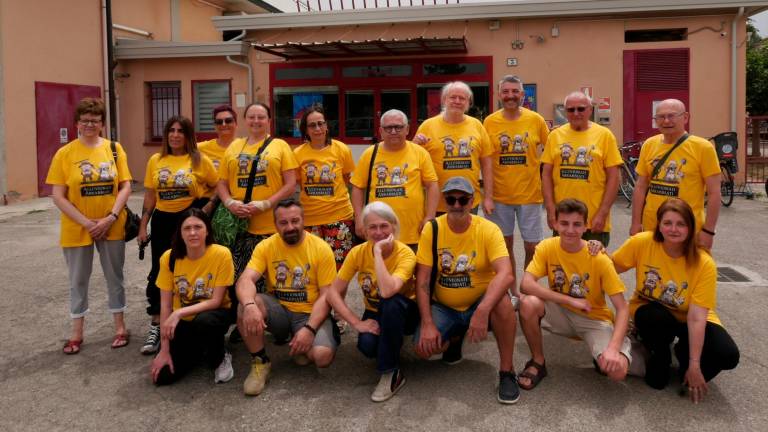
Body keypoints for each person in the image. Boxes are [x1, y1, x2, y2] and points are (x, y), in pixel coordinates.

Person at [611, 198, 739, 403]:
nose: (673, 229)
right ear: (659, 225)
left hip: (689, 317)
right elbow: (609, 267)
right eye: (668, 223)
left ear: (690, 227)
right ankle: (657, 351)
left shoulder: (703, 262)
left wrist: (694, 364)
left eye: (681, 224)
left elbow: (697, 317)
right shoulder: (642, 242)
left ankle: (682, 353)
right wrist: (592, 248)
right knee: (657, 380)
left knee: (728, 354)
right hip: (654, 315)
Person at [414, 176, 520, 404]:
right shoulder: (431, 229)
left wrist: (482, 312)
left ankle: (507, 371)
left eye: (463, 200)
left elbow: (506, 273)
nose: (457, 205)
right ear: (445, 201)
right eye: (451, 200)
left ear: (472, 201)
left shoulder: (489, 229)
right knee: (423, 349)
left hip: (478, 302)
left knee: (502, 303)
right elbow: (422, 281)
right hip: (444, 305)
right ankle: (455, 336)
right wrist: (427, 323)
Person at [46, 97, 132, 354]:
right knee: (78, 280)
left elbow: (125, 185)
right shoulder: (65, 154)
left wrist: (111, 218)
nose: (90, 125)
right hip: (77, 228)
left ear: (102, 124)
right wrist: (86, 223)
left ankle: (119, 327)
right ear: (77, 124)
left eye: (95, 120)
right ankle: (77, 333)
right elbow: (58, 195)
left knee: (114, 278)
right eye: (85, 121)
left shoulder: (114, 149)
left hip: (112, 225)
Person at [517, 198, 632, 390]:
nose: (570, 230)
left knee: (616, 372)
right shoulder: (547, 247)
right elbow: (526, 284)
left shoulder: (598, 257)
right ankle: (538, 361)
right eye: (564, 223)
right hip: (561, 312)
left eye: (577, 224)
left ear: (586, 226)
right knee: (527, 303)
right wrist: (569, 300)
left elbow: (622, 307)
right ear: (555, 223)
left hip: (592, 319)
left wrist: (613, 349)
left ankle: (623, 344)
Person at [236, 198, 338, 396]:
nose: (290, 227)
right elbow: (245, 280)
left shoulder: (321, 248)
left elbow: (327, 297)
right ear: (275, 225)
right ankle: (260, 362)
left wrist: (309, 329)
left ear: (303, 220)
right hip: (279, 311)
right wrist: (249, 305)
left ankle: (301, 342)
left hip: (309, 313)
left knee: (322, 357)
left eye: (295, 221)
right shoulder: (266, 246)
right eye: (283, 223)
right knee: (246, 305)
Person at [138, 116, 219, 355]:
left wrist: (207, 209)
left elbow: (217, 186)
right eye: (171, 131)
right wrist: (143, 225)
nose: (175, 135)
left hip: (189, 221)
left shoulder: (199, 159)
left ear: (188, 135)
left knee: (192, 269)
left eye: (180, 131)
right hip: (163, 221)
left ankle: (193, 317)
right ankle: (157, 324)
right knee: (159, 271)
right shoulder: (156, 160)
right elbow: (150, 195)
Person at [325, 201, 418, 402]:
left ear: (394, 227)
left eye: (383, 226)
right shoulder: (357, 253)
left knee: (390, 301)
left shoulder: (405, 254)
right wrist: (356, 323)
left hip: (406, 311)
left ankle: (390, 373)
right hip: (375, 311)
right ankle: (391, 344)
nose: (378, 232)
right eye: (372, 227)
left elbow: (387, 291)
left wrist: (377, 253)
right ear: (365, 231)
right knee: (367, 346)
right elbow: (333, 292)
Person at [483, 75, 550, 299]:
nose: (510, 96)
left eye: (515, 92)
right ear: (499, 95)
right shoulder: (489, 122)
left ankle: (527, 287)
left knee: (533, 247)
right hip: (500, 196)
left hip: (530, 196)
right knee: (504, 247)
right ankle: (511, 291)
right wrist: (488, 196)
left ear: (523, 95)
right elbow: (486, 160)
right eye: (506, 92)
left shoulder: (536, 120)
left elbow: (551, 153)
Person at [150, 208, 234, 385]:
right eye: (187, 228)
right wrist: (164, 350)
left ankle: (220, 355)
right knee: (163, 377)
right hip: (184, 322)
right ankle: (199, 348)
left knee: (204, 321)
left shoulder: (221, 254)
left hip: (214, 314)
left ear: (207, 230)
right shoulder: (169, 257)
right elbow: (165, 306)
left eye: (198, 227)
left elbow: (216, 300)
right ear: (180, 233)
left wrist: (178, 313)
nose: (193, 232)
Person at [217, 102, 298, 282]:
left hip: (273, 227)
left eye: (261, 117)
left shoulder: (280, 145)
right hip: (240, 228)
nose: (256, 121)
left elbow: (291, 184)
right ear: (245, 120)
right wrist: (230, 203)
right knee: (243, 280)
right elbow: (221, 183)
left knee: (276, 278)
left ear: (269, 120)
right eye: (251, 117)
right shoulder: (234, 147)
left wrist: (266, 204)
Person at [630, 99, 721, 250]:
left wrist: (708, 231)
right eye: (660, 117)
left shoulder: (703, 148)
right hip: (652, 227)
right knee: (652, 272)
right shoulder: (649, 145)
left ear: (685, 117)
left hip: (686, 228)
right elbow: (640, 186)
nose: (666, 121)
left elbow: (714, 193)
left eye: (671, 116)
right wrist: (635, 223)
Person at [542, 91, 622, 246]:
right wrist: (551, 209)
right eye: (571, 110)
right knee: (562, 266)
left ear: (590, 110)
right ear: (565, 111)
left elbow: (614, 177)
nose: (576, 113)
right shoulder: (555, 136)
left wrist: (603, 212)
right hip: (564, 219)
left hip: (594, 220)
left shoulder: (605, 135)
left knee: (593, 266)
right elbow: (546, 175)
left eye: (581, 109)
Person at [351, 109, 439, 248]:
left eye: (398, 127)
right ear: (381, 131)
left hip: (412, 232)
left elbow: (432, 185)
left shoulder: (420, 153)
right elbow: (357, 187)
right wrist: (359, 218)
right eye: (388, 128)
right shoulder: (370, 154)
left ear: (407, 129)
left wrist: (430, 216)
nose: (393, 131)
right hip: (378, 233)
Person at [413, 81, 494, 216]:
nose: (457, 101)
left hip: (468, 200)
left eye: (462, 98)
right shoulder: (427, 126)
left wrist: (488, 197)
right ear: (444, 100)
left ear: (468, 102)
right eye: (453, 97)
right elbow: (413, 161)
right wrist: (415, 145)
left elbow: (487, 164)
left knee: (467, 237)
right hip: (436, 204)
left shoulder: (477, 125)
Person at [294, 105, 356, 268]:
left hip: (340, 218)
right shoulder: (297, 154)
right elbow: (297, 184)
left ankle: (335, 296)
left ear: (327, 126)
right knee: (312, 269)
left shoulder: (341, 149)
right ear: (305, 130)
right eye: (312, 125)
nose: (317, 128)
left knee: (339, 271)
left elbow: (347, 180)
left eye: (320, 123)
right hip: (309, 220)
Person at [197, 105, 239, 216]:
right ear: (215, 126)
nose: (224, 124)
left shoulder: (245, 148)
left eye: (228, 120)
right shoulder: (200, 148)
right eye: (219, 122)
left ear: (236, 123)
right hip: (205, 202)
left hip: (234, 203)